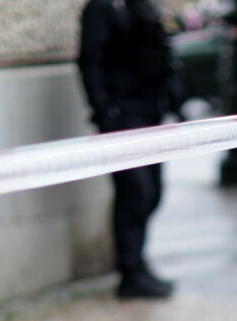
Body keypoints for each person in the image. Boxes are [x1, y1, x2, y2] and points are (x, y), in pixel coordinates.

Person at [78, 0, 184, 299]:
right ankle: (130, 272)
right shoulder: (101, 8)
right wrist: (102, 107)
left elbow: (162, 54)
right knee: (134, 192)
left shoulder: (144, 7)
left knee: (153, 192)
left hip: (150, 111)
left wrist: (175, 100)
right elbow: (90, 60)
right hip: (122, 115)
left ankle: (138, 263)